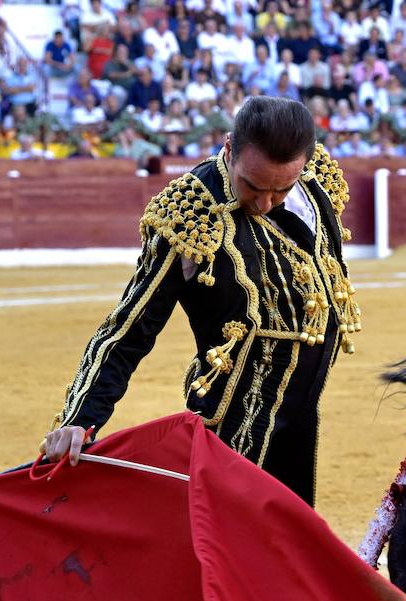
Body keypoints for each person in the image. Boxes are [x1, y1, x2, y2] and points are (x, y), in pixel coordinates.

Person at [41, 97, 361, 506]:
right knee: (226, 545)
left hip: (301, 417)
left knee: (287, 547)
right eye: (253, 186)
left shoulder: (315, 184)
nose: (265, 203)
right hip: (229, 426)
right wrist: (80, 419)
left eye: (283, 188)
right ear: (228, 148)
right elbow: (129, 328)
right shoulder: (192, 214)